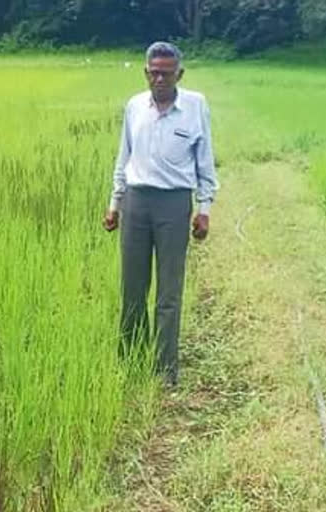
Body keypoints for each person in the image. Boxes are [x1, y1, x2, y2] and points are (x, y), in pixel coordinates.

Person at [103, 41, 218, 387]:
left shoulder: (195, 107)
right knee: (133, 288)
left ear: (179, 74)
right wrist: (115, 204)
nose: (159, 79)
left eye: (166, 73)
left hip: (173, 204)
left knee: (169, 291)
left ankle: (165, 369)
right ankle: (131, 360)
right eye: (153, 72)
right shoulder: (135, 107)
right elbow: (124, 159)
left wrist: (204, 209)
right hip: (137, 203)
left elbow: (205, 162)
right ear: (145, 73)